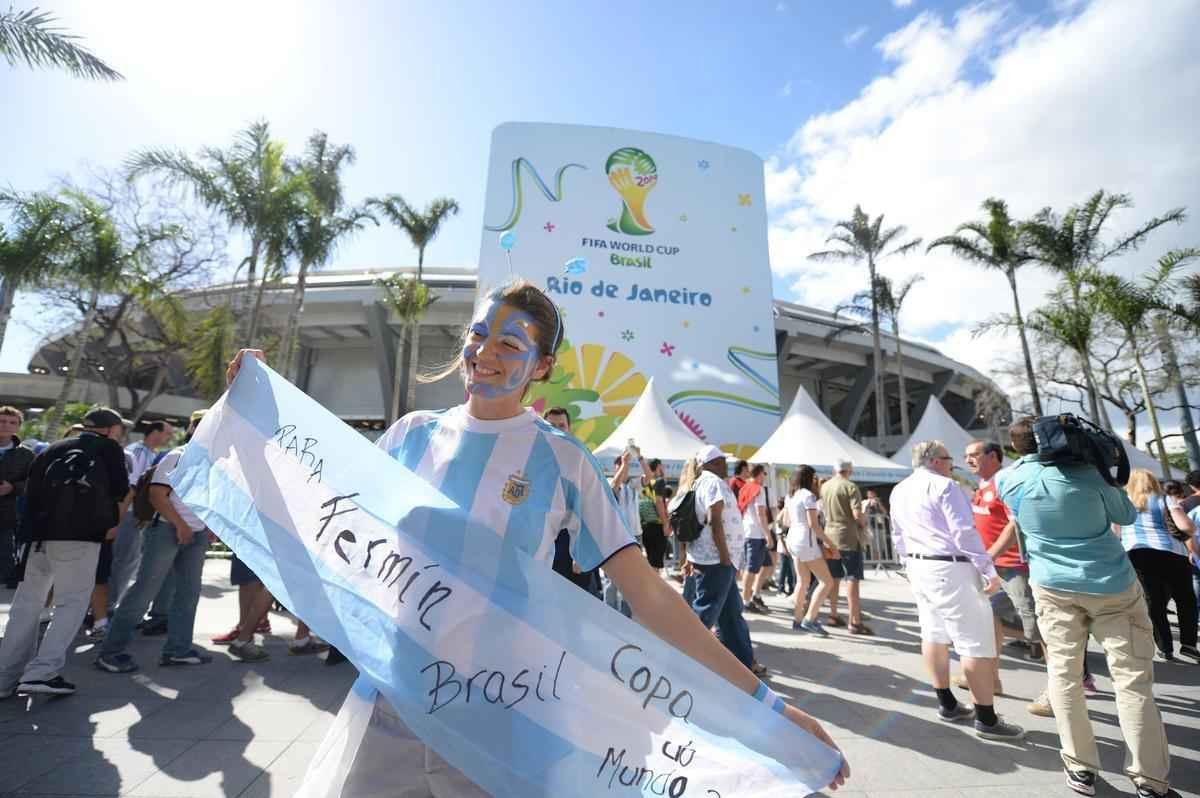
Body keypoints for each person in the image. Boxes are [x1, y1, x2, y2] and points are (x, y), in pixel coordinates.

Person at [230, 280, 847, 796]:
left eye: (508, 342)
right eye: (477, 334)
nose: (484, 352)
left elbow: (649, 595)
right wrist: (253, 417)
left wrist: (767, 708)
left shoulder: (562, 460)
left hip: (502, 721)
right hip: (390, 704)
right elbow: (316, 517)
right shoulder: (410, 437)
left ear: (543, 366)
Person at [998, 417, 1176, 798]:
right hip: (1111, 586)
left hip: (1051, 586)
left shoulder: (1009, 480)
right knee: (1132, 682)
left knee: (1063, 677)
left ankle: (1080, 769)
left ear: (1018, 448)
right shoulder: (1088, 476)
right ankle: (1150, 779)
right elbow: (1126, 515)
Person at [890, 440, 1024, 741]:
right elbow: (964, 532)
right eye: (950, 458)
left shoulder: (900, 489)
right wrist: (987, 569)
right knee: (974, 640)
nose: (953, 464)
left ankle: (947, 702)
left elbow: (896, 533)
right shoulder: (945, 486)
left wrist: (907, 563)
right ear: (937, 460)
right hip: (950, 567)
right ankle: (987, 718)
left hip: (920, 565)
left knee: (933, 634)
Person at [0, 407, 129, 696]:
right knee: (71, 603)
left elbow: (30, 493)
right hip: (80, 538)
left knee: (26, 605)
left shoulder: (53, 447)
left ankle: (5, 677)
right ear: (110, 429)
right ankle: (42, 672)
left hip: (37, 538)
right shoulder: (109, 449)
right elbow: (120, 490)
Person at [96, 411, 214, 673]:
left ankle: (178, 650)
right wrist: (181, 526)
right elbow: (156, 494)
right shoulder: (177, 456)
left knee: (187, 594)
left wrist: (207, 527)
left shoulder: (215, 463)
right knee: (143, 591)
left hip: (193, 534)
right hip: (166, 530)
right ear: (193, 430)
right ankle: (111, 652)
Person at [962, 440, 1043, 694]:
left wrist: (990, 555)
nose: (968, 461)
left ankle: (1066, 688)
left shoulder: (1004, 481)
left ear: (994, 456)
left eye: (974, 455)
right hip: (994, 568)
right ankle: (992, 680)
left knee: (1038, 628)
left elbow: (1014, 524)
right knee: (990, 619)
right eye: (967, 456)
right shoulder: (981, 486)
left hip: (1013, 567)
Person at [688, 445, 758, 673]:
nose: (726, 465)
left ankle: (742, 665)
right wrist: (726, 558)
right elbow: (714, 520)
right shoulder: (714, 483)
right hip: (716, 560)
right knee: (705, 614)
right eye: (722, 461)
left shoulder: (701, 482)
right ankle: (683, 660)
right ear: (714, 463)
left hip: (715, 559)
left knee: (730, 614)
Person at [1119, 469, 1198, 663]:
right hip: (1173, 553)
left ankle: (1165, 648)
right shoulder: (1165, 499)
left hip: (1139, 553)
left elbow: (1116, 533)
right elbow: (1187, 527)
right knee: (1185, 598)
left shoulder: (1122, 502)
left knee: (1153, 602)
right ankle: (1188, 644)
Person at [107, 420, 175, 619]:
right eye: (167, 433)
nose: (170, 437)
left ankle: (111, 605)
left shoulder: (150, 454)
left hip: (137, 515)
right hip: (131, 514)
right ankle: (109, 607)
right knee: (124, 561)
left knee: (130, 562)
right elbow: (132, 488)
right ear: (154, 432)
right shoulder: (137, 452)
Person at [545, 407, 602, 598]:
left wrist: (580, 553)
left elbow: (592, 511)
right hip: (543, 552)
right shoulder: (533, 462)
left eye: (562, 425)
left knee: (577, 613)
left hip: (571, 552)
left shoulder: (582, 462)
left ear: (569, 429)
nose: (557, 430)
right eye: (551, 426)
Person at [821, 460, 872, 634]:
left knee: (833, 578)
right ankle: (854, 620)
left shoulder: (825, 487)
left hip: (829, 535)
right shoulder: (850, 487)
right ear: (849, 471)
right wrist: (865, 518)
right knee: (852, 578)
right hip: (848, 537)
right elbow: (857, 515)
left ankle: (833, 614)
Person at [787, 466, 838, 636]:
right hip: (805, 541)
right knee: (827, 582)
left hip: (793, 539)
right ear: (810, 478)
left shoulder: (793, 495)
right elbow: (813, 525)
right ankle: (810, 619)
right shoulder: (808, 496)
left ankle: (798, 619)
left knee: (802, 581)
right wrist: (831, 545)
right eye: (814, 477)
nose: (816, 480)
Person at [0, 406, 36, 590]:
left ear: (18, 427)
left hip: (8, 515)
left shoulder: (26, 455)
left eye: (12, 422)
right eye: (2, 421)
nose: (6, 425)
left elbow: (34, 483)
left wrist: (12, 488)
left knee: (6, 558)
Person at [738, 464, 772, 613]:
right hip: (755, 534)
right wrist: (767, 534)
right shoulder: (758, 489)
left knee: (767, 565)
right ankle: (746, 600)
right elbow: (761, 514)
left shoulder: (745, 487)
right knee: (750, 569)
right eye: (764, 474)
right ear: (759, 474)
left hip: (748, 531)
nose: (764, 477)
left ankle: (755, 594)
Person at [639, 457, 672, 576]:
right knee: (656, 565)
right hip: (657, 525)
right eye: (662, 466)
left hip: (645, 525)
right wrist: (666, 524)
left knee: (650, 561)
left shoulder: (645, 481)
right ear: (658, 467)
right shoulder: (659, 481)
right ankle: (653, 592)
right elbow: (659, 502)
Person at [774, 496, 796, 596]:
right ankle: (781, 588)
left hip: (787, 547)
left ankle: (791, 588)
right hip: (784, 548)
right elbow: (780, 535)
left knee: (790, 570)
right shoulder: (781, 517)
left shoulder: (783, 516)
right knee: (785, 569)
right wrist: (786, 549)